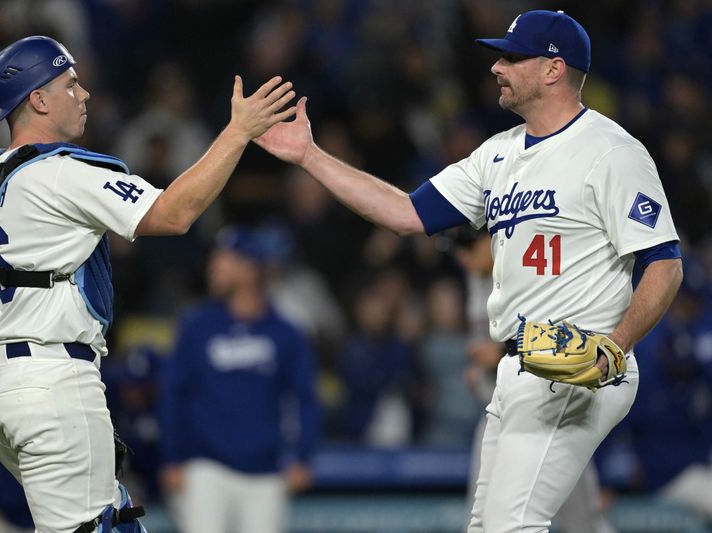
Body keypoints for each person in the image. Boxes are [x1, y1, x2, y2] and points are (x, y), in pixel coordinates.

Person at [255, 9, 684, 531]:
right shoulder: (497, 154)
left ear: (553, 69)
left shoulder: (611, 151)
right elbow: (406, 213)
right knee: (486, 527)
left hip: (578, 364)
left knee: (511, 526)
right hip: (517, 365)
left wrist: (616, 346)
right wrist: (310, 156)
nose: (496, 68)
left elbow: (663, 264)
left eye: (511, 56)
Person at [0, 35, 296, 533]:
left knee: (117, 523)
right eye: (71, 84)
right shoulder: (63, 171)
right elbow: (175, 213)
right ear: (38, 99)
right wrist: (237, 132)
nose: (83, 94)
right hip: (53, 380)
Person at [158, 226, 319, 533]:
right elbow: (173, 394)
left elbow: (305, 398)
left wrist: (303, 456)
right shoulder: (196, 326)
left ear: (250, 268)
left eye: (224, 260)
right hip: (206, 465)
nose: (213, 267)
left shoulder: (285, 332)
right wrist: (172, 458)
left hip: (266, 469)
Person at [454, 227, 615, 533]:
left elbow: (573, 337)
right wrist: (483, 367)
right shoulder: (479, 278)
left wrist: (502, 351)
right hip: (501, 410)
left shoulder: (533, 264)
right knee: (482, 518)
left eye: (467, 247)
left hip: (553, 406)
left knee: (584, 524)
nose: (462, 258)